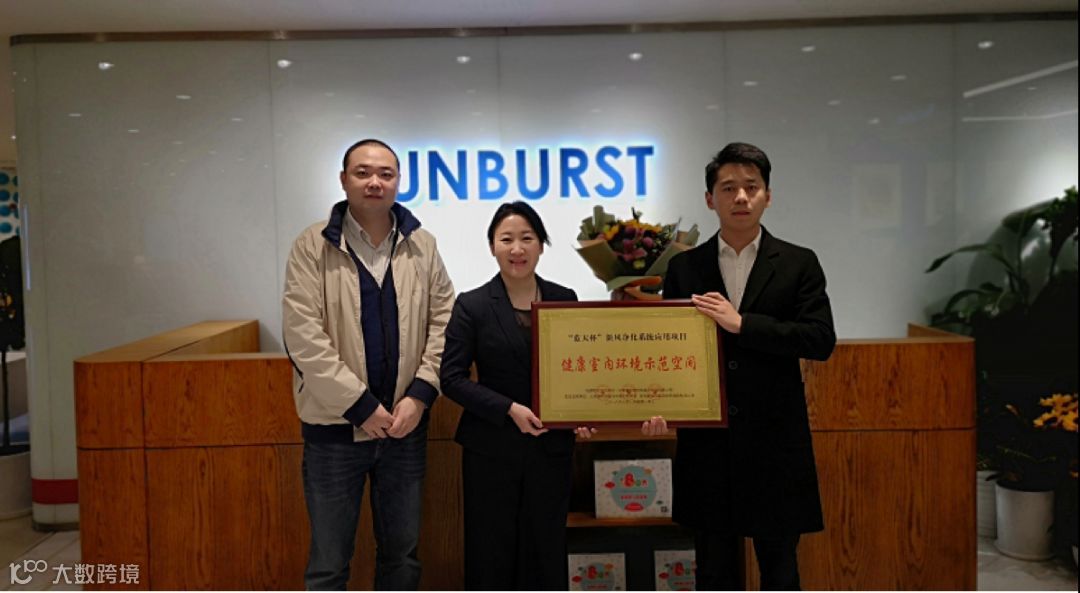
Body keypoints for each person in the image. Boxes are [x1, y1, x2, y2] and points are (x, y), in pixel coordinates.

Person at [643, 142, 836, 590]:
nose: (741, 197)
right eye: (728, 188)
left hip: (775, 440)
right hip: (708, 444)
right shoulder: (684, 268)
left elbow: (819, 339)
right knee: (713, 571)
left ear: (769, 195)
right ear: (710, 199)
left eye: (752, 186)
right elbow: (670, 350)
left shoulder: (799, 263)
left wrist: (743, 324)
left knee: (780, 569)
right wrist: (659, 403)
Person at [282, 138, 455, 590]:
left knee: (402, 558)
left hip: (404, 430)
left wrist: (420, 395)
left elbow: (445, 323)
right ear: (344, 180)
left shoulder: (422, 245)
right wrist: (360, 407)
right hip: (334, 433)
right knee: (329, 564)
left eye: (385, 173)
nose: (374, 182)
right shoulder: (312, 246)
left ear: (398, 181)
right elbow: (303, 336)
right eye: (362, 173)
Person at [440, 201, 593, 590]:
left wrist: (583, 412)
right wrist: (508, 409)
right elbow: (452, 378)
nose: (517, 248)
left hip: (551, 449)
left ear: (541, 244)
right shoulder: (472, 304)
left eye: (527, 238)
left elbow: (578, 369)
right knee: (491, 551)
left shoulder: (564, 298)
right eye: (506, 239)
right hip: (491, 450)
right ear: (492, 246)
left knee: (545, 549)